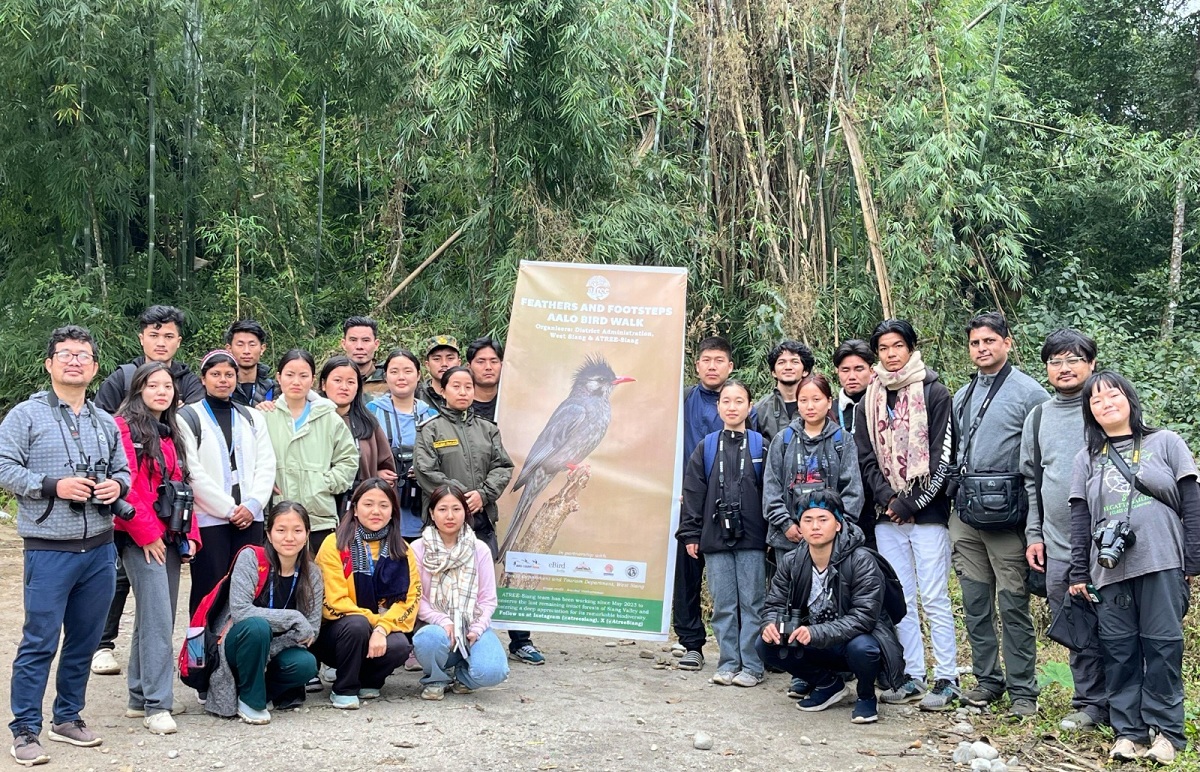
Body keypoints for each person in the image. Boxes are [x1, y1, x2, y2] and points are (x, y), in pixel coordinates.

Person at [0, 326, 130, 766]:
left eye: (83, 355)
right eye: (65, 354)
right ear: (49, 364)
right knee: (39, 640)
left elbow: (123, 471)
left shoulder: (105, 420)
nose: (74, 361)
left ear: (94, 368)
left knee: (85, 639)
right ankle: (24, 729)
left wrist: (115, 486)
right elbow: (3, 467)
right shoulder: (25, 416)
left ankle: (68, 716)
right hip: (49, 547)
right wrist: (53, 485)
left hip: (99, 547)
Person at [1068, 371, 1200, 765]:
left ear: (1130, 399)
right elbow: (1079, 517)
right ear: (1089, 412)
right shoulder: (1087, 457)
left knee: (1162, 646)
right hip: (1109, 570)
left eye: (1113, 395)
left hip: (1162, 560)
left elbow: (1192, 500)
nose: (1106, 403)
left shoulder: (1166, 442)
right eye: (1096, 400)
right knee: (1119, 650)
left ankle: (1167, 733)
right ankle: (1130, 732)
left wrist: (1193, 558)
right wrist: (1078, 572)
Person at [93, 304, 205, 676]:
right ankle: (105, 645)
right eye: (153, 335)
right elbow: (104, 436)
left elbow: (184, 467)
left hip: (166, 517)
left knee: (155, 606)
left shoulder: (189, 382)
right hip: (131, 515)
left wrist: (186, 532)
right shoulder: (120, 381)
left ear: (179, 341)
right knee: (120, 579)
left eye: (168, 335)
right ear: (141, 337)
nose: (161, 342)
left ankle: (141, 690)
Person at [853, 319, 958, 711]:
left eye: (898, 346)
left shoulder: (934, 391)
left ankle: (947, 677)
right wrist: (887, 501)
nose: (891, 353)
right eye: (883, 348)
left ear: (911, 348)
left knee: (934, 596)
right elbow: (865, 457)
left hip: (927, 513)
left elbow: (943, 456)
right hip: (886, 517)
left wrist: (910, 503)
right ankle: (913, 674)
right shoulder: (871, 396)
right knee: (903, 598)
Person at [949, 313, 1048, 718]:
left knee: (1013, 604)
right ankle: (987, 679)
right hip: (966, 515)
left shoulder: (1030, 394)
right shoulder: (963, 393)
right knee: (975, 602)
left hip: (1008, 517)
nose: (982, 348)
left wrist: (1036, 522)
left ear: (1008, 342)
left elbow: (1040, 462)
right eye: (975, 343)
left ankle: (1023, 690)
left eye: (990, 340)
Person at [412, 366, 536, 664]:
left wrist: (483, 494)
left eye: (468, 386)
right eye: (456, 386)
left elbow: (503, 466)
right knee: (437, 584)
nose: (463, 391)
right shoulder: (430, 429)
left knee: (482, 582)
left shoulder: (487, 429)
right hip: (444, 523)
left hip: (480, 521)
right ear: (442, 390)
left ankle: (479, 642)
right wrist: (457, 497)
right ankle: (434, 648)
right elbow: (425, 470)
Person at [757, 489, 905, 725]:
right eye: (808, 520)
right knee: (765, 645)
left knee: (863, 647)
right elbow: (773, 603)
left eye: (822, 519)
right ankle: (828, 684)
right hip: (815, 642)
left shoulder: (862, 560)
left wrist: (815, 633)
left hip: (853, 643)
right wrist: (770, 624)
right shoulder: (791, 561)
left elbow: (864, 618)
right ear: (800, 526)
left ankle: (866, 696)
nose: (815, 526)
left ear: (838, 524)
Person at [1020, 329, 1106, 731]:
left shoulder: (1107, 407)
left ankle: (1126, 701)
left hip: (1109, 544)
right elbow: (1033, 481)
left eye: (1073, 359)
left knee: (1119, 625)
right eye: (1056, 360)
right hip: (1057, 544)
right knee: (1076, 624)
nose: (1064, 367)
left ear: (1091, 365)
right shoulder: (1039, 416)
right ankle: (1089, 703)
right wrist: (1034, 534)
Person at [112, 362, 202, 735]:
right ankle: (157, 704)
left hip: (168, 536)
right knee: (159, 618)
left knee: (154, 616)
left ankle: (138, 697)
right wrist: (146, 534)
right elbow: (127, 486)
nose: (162, 391)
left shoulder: (169, 432)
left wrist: (190, 534)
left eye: (168, 386)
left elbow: (182, 486)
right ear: (138, 389)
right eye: (153, 385)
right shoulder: (123, 428)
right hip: (138, 535)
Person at [675, 336, 758, 671]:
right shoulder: (681, 401)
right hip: (690, 502)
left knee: (746, 589)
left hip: (740, 510)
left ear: (730, 366)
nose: (712, 366)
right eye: (706, 360)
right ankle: (692, 643)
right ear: (696, 365)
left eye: (719, 360)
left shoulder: (748, 416)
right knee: (688, 574)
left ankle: (751, 655)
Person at [204, 501, 324, 724]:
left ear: (307, 534)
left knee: (306, 664)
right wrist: (294, 618)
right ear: (269, 534)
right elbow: (241, 612)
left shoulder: (312, 574)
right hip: (241, 642)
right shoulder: (251, 558)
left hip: (279, 648)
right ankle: (251, 702)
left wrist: (273, 648)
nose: (289, 537)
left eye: (297, 530)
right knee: (257, 627)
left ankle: (261, 691)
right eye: (281, 530)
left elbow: (312, 630)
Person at [177, 350, 278, 615]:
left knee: (248, 587)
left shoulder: (253, 417)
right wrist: (229, 509)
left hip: (250, 517)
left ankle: (238, 651)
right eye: (216, 374)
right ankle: (202, 652)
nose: (223, 380)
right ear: (203, 379)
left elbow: (266, 463)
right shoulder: (187, 417)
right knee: (208, 589)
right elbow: (191, 470)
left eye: (229, 375)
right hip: (210, 519)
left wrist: (253, 504)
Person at [314, 479, 421, 709]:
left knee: (400, 645)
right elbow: (334, 602)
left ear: (393, 511)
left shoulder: (402, 550)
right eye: (368, 504)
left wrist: (382, 629)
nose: (376, 511)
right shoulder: (335, 544)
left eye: (384, 505)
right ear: (354, 508)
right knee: (357, 625)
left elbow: (410, 601)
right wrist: (375, 624)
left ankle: (369, 680)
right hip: (338, 634)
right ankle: (344, 688)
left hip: (378, 632)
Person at [410, 485, 510, 700]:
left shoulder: (479, 549)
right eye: (442, 509)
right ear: (431, 513)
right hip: (436, 628)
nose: (449, 516)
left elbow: (488, 599)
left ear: (466, 512)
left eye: (456, 509)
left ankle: (464, 677)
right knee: (428, 638)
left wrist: (476, 628)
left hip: (471, 623)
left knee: (493, 672)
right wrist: (444, 621)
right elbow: (416, 598)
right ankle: (436, 678)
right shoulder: (418, 548)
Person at [262, 349, 359, 553]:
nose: (296, 381)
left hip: (318, 516)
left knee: (320, 578)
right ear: (279, 378)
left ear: (313, 379)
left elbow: (349, 460)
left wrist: (323, 483)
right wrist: (263, 481)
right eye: (289, 375)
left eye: (303, 375)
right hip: (276, 516)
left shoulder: (329, 418)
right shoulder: (265, 416)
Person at [368, 349, 438, 541]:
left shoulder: (431, 416)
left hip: (420, 506)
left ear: (418, 374)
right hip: (381, 505)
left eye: (407, 371)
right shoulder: (371, 412)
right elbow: (360, 454)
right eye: (394, 371)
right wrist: (376, 472)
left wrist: (425, 470)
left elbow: (444, 458)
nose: (401, 377)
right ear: (385, 376)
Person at [317, 356, 397, 510]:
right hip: (319, 503)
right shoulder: (311, 420)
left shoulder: (368, 423)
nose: (344, 387)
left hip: (360, 505)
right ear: (323, 384)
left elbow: (385, 465)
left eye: (351, 382)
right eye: (337, 380)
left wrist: (375, 472)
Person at [833, 339, 876, 549]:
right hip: (843, 502)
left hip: (878, 502)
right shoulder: (829, 410)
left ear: (872, 369)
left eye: (859, 369)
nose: (852, 376)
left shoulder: (883, 404)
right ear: (837, 372)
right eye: (845, 370)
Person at [754, 340, 813, 445]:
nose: (788, 367)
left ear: (805, 371)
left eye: (795, 362)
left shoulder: (816, 405)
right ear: (773, 372)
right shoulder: (760, 410)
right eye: (781, 362)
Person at [224, 320, 277, 407]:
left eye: (252, 345)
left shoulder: (274, 389)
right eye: (240, 345)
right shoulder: (221, 387)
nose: (246, 351)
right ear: (229, 349)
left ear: (262, 348)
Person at [340, 316, 387, 396]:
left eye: (366, 340)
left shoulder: (390, 380)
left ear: (376, 344)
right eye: (353, 340)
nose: (359, 346)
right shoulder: (333, 379)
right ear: (344, 344)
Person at [416, 335, 461, 409]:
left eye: (450, 358)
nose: (444, 364)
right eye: (437, 359)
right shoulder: (417, 395)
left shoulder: (468, 393)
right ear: (427, 365)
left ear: (459, 363)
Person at [466, 337, 504, 421]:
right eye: (481, 362)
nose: (488, 367)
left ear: (502, 365)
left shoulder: (510, 405)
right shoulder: (461, 404)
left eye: (494, 361)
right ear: (469, 367)